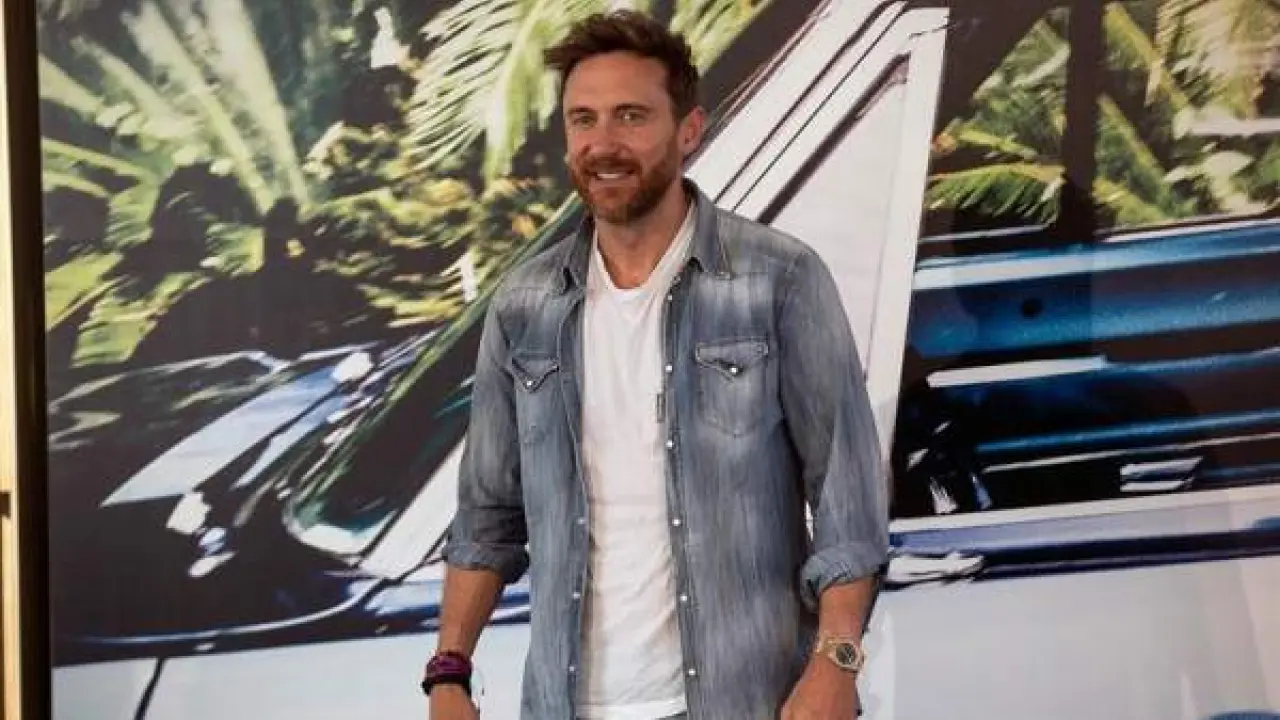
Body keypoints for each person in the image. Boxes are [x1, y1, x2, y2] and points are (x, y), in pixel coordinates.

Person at [422, 10, 888, 720]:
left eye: (631, 116)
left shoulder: (778, 280)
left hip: (746, 702)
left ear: (689, 130)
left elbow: (847, 498)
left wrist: (836, 663)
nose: (602, 144)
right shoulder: (524, 305)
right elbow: (486, 516)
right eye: (583, 120)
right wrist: (449, 671)